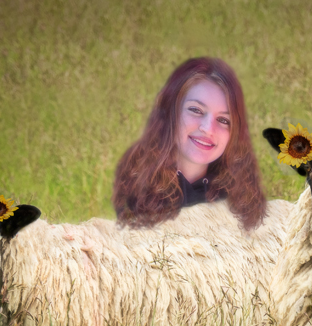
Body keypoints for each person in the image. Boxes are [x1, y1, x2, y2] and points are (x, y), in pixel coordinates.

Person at [113, 57, 266, 229]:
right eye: (196, 110)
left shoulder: (240, 201)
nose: (208, 129)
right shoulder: (133, 190)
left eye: (223, 120)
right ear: (170, 111)